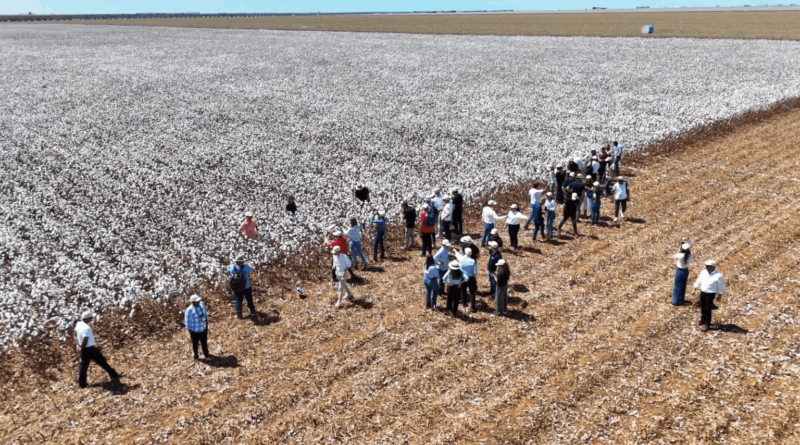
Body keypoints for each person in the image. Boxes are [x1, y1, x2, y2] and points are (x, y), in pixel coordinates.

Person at [75, 311, 122, 388]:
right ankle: (113, 375)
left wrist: (78, 345)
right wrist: (81, 347)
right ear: (87, 318)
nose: (92, 319)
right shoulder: (87, 328)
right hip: (89, 348)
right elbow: (85, 339)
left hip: (83, 349)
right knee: (102, 361)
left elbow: (75, 334)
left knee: (84, 366)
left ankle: (82, 383)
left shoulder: (78, 325)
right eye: (91, 318)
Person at [692, 260, 725, 332]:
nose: (707, 268)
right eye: (706, 266)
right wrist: (695, 287)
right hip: (703, 292)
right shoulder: (704, 272)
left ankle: (707, 324)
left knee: (707, 308)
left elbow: (720, 286)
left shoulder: (718, 276)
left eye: (709, 267)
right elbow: (699, 280)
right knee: (702, 307)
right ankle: (703, 319)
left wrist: (720, 294)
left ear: (713, 267)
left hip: (710, 294)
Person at [228, 254, 256, 318]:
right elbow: (251, 268)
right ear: (242, 261)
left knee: (238, 300)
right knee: (249, 299)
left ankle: (239, 314)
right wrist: (247, 262)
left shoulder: (232, 267)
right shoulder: (245, 267)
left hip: (236, 287)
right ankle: (252, 311)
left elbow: (228, 269)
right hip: (246, 287)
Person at [184, 294, 211, 361]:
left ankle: (206, 354)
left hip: (203, 328)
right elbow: (187, 321)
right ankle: (196, 356)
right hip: (194, 331)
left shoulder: (202, 304)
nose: (198, 302)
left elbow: (205, 313)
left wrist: (207, 321)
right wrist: (189, 329)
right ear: (192, 302)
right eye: (196, 301)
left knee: (204, 342)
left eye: (198, 300)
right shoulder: (189, 310)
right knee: (195, 345)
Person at [456, 247, 478, 312]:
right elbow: (475, 271)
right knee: (472, 292)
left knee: (463, 291)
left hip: (463, 278)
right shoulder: (473, 261)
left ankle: (464, 303)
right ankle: (473, 306)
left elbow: (459, 268)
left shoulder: (461, 260)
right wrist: (475, 276)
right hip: (471, 278)